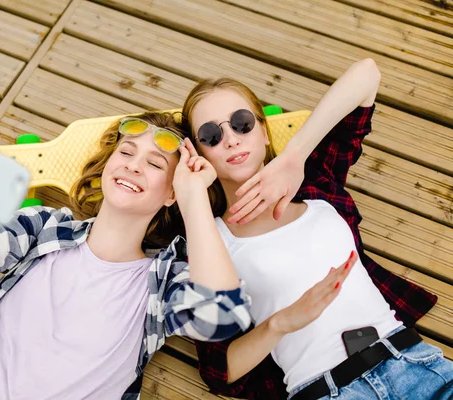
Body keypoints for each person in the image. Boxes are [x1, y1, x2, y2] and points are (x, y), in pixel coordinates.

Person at [0, 111, 293, 400]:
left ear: (171, 193)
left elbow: (220, 317)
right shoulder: (44, 229)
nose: (133, 166)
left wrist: (192, 198)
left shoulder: (162, 280)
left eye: (154, 164)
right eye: (126, 152)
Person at [180, 58, 453, 399]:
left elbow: (367, 74)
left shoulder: (316, 182)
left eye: (242, 123)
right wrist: (280, 323)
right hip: (330, 391)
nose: (231, 140)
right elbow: (221, 371)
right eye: (211, 135)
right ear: (198, 151)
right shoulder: (210, 241)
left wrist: (294, 156)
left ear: (264, 132)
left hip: (416, 364)